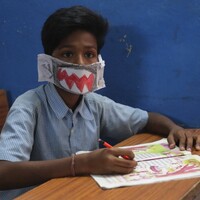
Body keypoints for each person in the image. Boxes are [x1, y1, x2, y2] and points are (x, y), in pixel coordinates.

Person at [0, 5, 200, 199]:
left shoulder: (94, 103)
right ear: (48, 62)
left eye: (89, 54)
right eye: (67, 54)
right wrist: (80, 164)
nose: (80, 63)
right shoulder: (28, 106)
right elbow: (3, 173)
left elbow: (146, 119)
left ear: (98, 60)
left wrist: (173, 128)